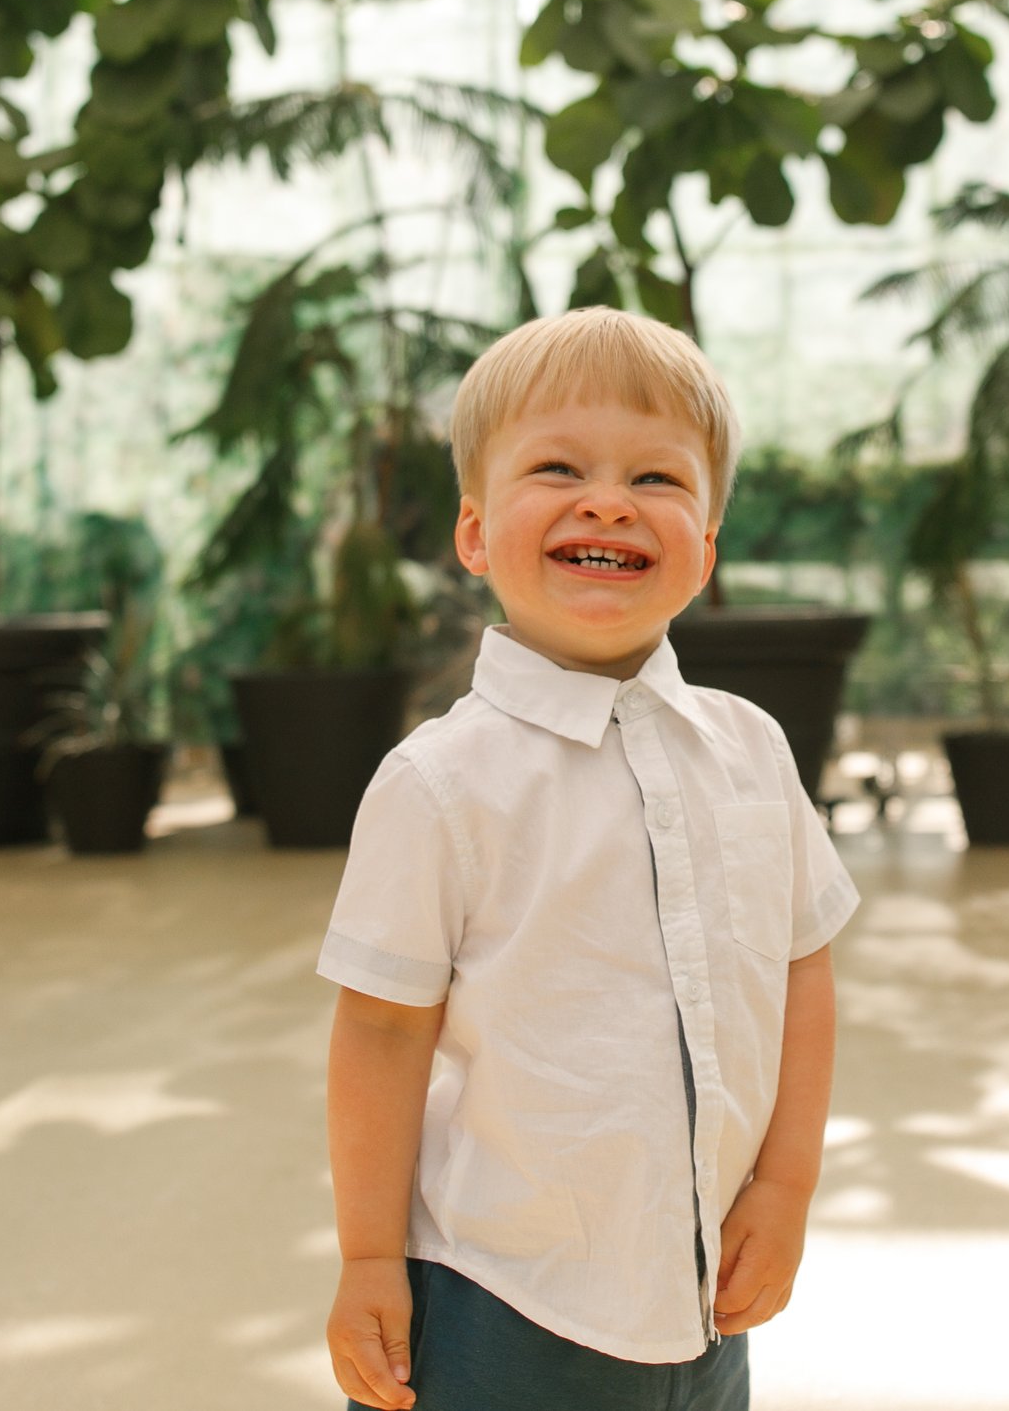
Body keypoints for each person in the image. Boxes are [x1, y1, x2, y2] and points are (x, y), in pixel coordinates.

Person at [318, 308, 861, 1411]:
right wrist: (370, 1256)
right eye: (558, 467)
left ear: (704, 548)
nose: (607, 500)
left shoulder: (751, 748)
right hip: (498, 1295)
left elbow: (801, 968)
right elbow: (380, 1027)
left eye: (657, 479)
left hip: (702, 1286)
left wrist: (787, 1183)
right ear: (474, 535)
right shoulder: (440, 785)